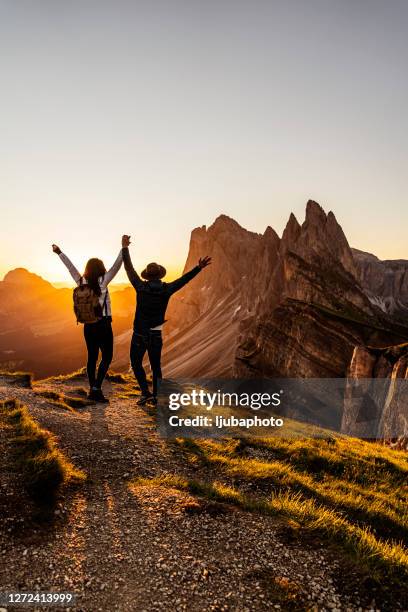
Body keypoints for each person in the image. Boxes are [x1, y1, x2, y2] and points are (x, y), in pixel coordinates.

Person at [121, 235, 211, 405]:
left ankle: (145, 393)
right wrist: (198, 268)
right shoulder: (166, 289)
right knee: (156, 366)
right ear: (159, 275)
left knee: (136, 363)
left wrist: (125, 247)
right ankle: (156, 396)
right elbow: (183, 281)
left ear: (147, 276)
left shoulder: (140, 287)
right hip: (156, 334)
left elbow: (129, 269)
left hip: (139, 333)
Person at [52, 241, 124, 402]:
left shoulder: (80, 281)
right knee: (107, 356)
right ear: (101, 268)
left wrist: (59, 252)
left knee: (92, 357)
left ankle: (93, 388)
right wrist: (124, 248)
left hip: (88, 325)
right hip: (103, 324)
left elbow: (70, 267)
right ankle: (97, 388)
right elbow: (117, 266)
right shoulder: (103, 280)